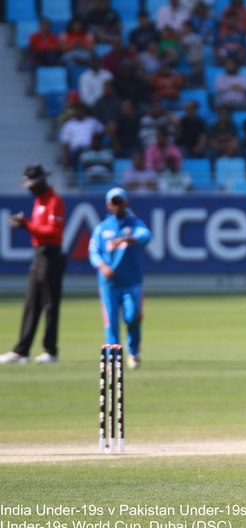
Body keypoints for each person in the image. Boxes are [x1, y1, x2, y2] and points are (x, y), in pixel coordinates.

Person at [0, 165, 66, 365]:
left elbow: (54, 231)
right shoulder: (38, 201)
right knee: (32, 302)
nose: (29, 189)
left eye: (31, 185)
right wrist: (26, 224)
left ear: (40, 182)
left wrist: (27, 225)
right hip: (39, 254)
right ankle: (22, 350)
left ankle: (50, 351)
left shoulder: (54, 201)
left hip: (51, 254)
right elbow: (39, 230)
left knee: (50, 304)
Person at [88, 188, 152, 370]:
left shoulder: (134, 223)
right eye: (113, 202)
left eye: (120, 201)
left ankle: (134, 351)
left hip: (131, 281)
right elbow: (93, 252)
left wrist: (127, 239)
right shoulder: (102, 228)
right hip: (109, 283)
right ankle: (114, 359)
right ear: (108, 204)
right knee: (111, 323)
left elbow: (146, 235)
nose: (116, 205)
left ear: (126, 203)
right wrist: (103, 267)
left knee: (132, 317)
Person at [61, 104, 105, 171]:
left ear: (84, 111)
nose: (78, 112)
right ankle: (76, 173)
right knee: (78, 155)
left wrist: (96, 139)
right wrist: (65, 160)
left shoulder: (92, 121)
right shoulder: (69, 124)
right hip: (75, 150)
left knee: (89, 155)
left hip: (89, 149)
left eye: (80, 110)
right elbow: (65, 143)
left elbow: (103, 130)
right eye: (76, 110)